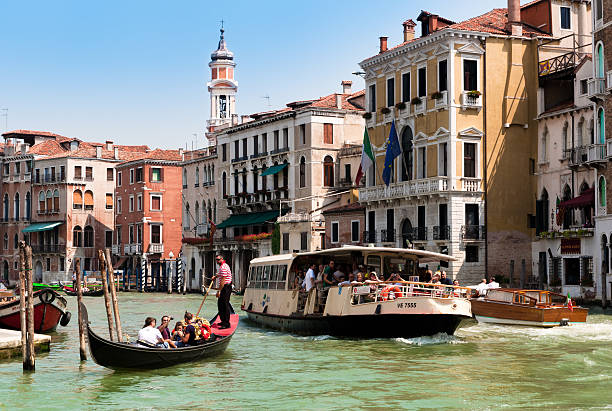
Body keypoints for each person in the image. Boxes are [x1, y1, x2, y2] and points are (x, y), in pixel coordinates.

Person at [215, 255, 233, 329]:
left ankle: (226, 324)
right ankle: (223, 321)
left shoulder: (223, 267)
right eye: (216, 260)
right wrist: (215, 277)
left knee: (225, 305)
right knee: (220, 304)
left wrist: (219, 291)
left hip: (226, 287)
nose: (217, 261)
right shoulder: (223, 266)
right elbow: (221, 275)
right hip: (225, 287)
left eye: (218, 259)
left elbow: (223, 280)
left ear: (222, 259)